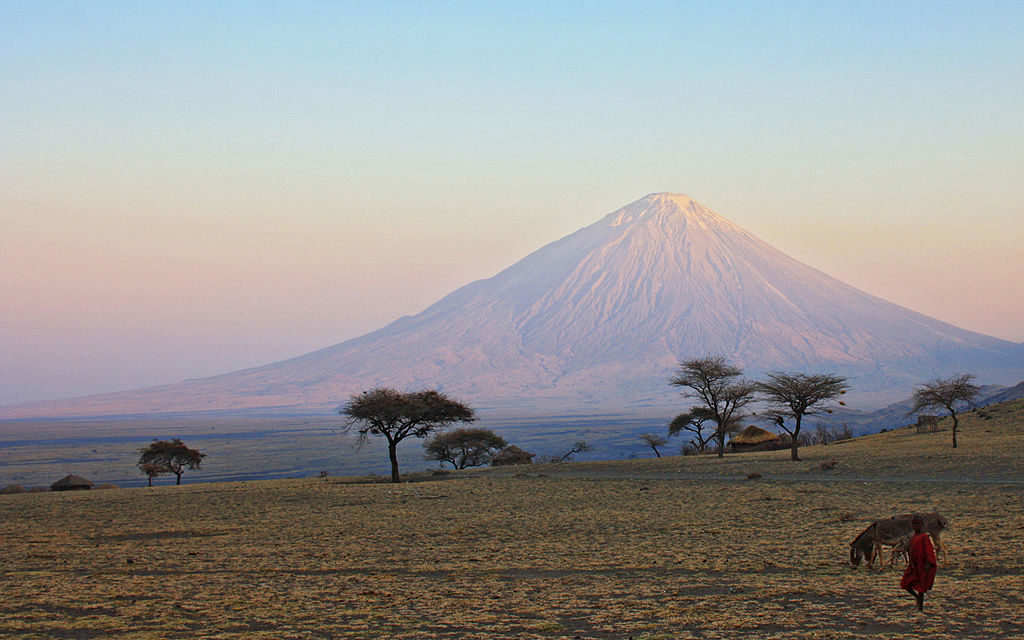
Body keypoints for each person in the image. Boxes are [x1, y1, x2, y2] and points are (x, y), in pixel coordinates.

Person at [901, 515, 938, 612]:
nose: (916, 525)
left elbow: (929, 551)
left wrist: (929, 564)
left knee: (920, 587)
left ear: (922, 525)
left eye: (917, 523)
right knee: (905, 583)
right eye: (914, 524)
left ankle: (920, 608)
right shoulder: (913, 537)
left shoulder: (924, 537)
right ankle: (917, 598)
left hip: (922, 565)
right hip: (913, 566)